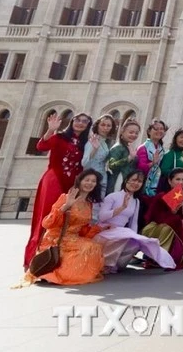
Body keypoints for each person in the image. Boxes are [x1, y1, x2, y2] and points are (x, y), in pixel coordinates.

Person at [24, 111, 92, 268]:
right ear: (72, 121)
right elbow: (41, 146)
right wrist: (50, 129)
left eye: (85, 121)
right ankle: (37, 258)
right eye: (78, 120)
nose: (81, 123)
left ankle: (56, 258)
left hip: (71, 185)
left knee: (65, 219)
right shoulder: (60, 137)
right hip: (54, 180)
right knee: (48, 215)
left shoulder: (85, 143)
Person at [23, 169, 105, 285]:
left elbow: (82, 228)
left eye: (93, 181)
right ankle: (54, 274)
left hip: (74, 238)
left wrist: (98, 229)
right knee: (87, 247)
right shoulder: (65, 198)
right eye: (87, 180)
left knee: (95, 246)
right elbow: (47, 224)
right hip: (56, 237)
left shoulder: (88, 204)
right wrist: (66, 206)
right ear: (80, 181)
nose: (90, 183)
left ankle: (75, 274)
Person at [96, 171, 176, 272]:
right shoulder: (112, 196)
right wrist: (121, 208)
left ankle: (116, 265)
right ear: (126, 180)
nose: (136, 183)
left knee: (136, 242)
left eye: (139, 181)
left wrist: (135, 238)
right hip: (104, 230)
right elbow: (102, 217)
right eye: (133, 180)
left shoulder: (136, 201)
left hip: (121, 232)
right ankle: (105, 263)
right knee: (126, 236)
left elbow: (133, 224)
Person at [141, 168, 183, 269]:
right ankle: (159, 257)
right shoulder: (161, 196)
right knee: (169, 227)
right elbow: (155, 217)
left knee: (179, 226)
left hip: (177, 226)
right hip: (156, 228)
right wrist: (173, 213)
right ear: (170, 181)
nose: (181, 182)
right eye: (178, 179)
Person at [83, 114, 116, 197]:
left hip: (102, 178)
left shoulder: (105, 142)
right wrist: (94, 149)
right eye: (103, 125)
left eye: (108, 126)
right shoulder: (93, 141)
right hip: (91, 180)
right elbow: (84, 163)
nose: (105, 128)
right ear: (97, 126)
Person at [106, 119, 142, 196]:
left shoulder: (128, 146)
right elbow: (112, 165)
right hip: (117, 183)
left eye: (136, 133)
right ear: (122, 132)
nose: (134, 135)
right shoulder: (118, 147)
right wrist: (128, 158)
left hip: (127, 183)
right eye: (131, 132)